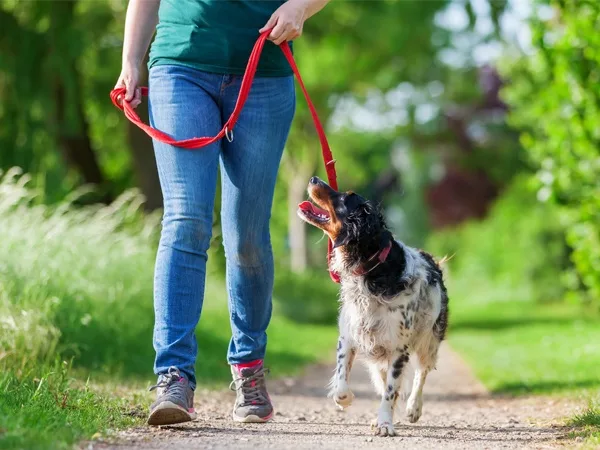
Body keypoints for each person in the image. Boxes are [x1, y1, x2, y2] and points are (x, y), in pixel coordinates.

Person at [115, 0, 330, 426]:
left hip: (264, 71)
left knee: (246, 236)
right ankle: (173, 375)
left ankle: (249, 368)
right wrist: (130, 62)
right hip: (180, 65)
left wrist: (300, 8)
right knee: (185, 220)